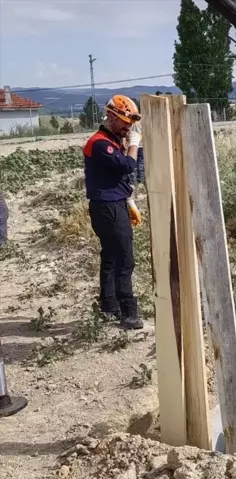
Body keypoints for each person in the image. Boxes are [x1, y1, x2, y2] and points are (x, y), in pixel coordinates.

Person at [83, 95, 144, 330]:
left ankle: (108, 305)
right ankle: (128, 312)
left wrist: (128, 201)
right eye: (124, 122)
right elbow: (127, 166)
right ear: (110, 117)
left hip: (113, 203)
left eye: (130, 124)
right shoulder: (100, 143)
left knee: (110, 256)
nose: (128, 128)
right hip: (106, 207)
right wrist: (134, 144)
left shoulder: (111, 140)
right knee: (124, 258)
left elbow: (114, 177)